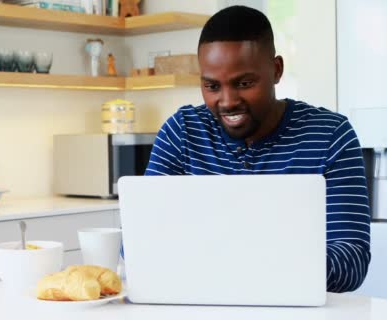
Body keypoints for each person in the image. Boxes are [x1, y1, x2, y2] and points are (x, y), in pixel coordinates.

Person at [145, 5, 371, 293]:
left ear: (276, 70)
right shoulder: (182, 132)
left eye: (244, 83)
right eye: (212, 86)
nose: (226, 101)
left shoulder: (330, 135)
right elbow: (142, 243)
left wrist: (252, 261)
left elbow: (352, 261)